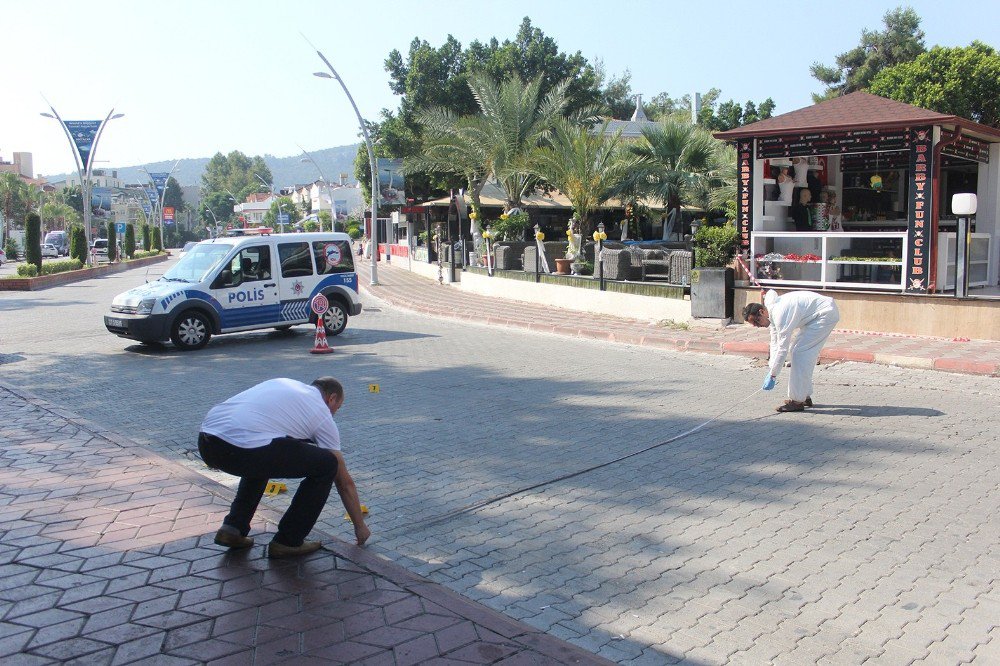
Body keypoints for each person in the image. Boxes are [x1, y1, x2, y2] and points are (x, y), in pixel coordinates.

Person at [198, 377, 370, 558]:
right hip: (240, 448)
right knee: (327, 464)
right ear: (331, 398)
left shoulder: (284, 384)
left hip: (207, 441)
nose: (334, 413)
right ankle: (289, 541)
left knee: (262, 450)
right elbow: (343, 481)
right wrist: (360, 525)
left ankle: (233, 528)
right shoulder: (321, 413)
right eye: (338, 407)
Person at [743, 290, 840, 412]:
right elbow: (775, 343)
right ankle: (803, 395)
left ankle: (797, 401)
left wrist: (773, 375)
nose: (757, 326)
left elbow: (783, 349)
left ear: (762, 312)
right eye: (754, 325)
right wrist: (771, 368)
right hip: (818, 315)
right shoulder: (771, 312)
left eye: (757, 322)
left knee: (800, 354)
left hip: (825, 314)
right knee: (799, 352)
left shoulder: (779, 314)